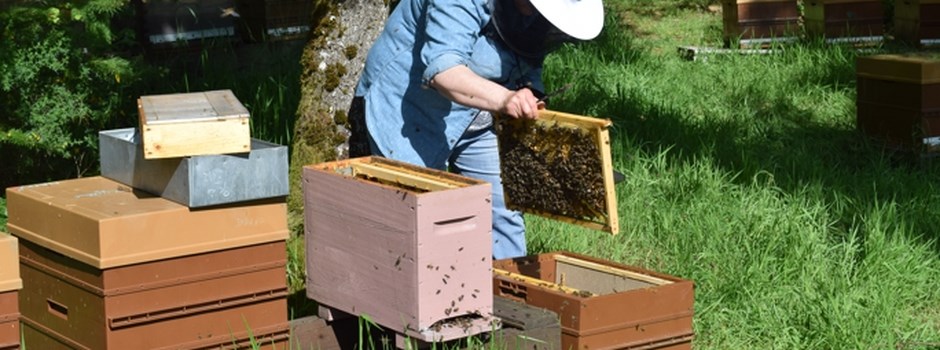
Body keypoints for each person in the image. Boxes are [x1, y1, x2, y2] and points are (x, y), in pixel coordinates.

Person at [347, 0, 604, 259]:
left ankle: (508, 295)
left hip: (482, 112)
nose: (535, 15)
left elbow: (528, 56)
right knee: (421, 214)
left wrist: (530, 90)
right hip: (410, 106)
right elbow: (444, 71)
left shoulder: (532, 11)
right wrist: (505, 99)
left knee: (503, 208)